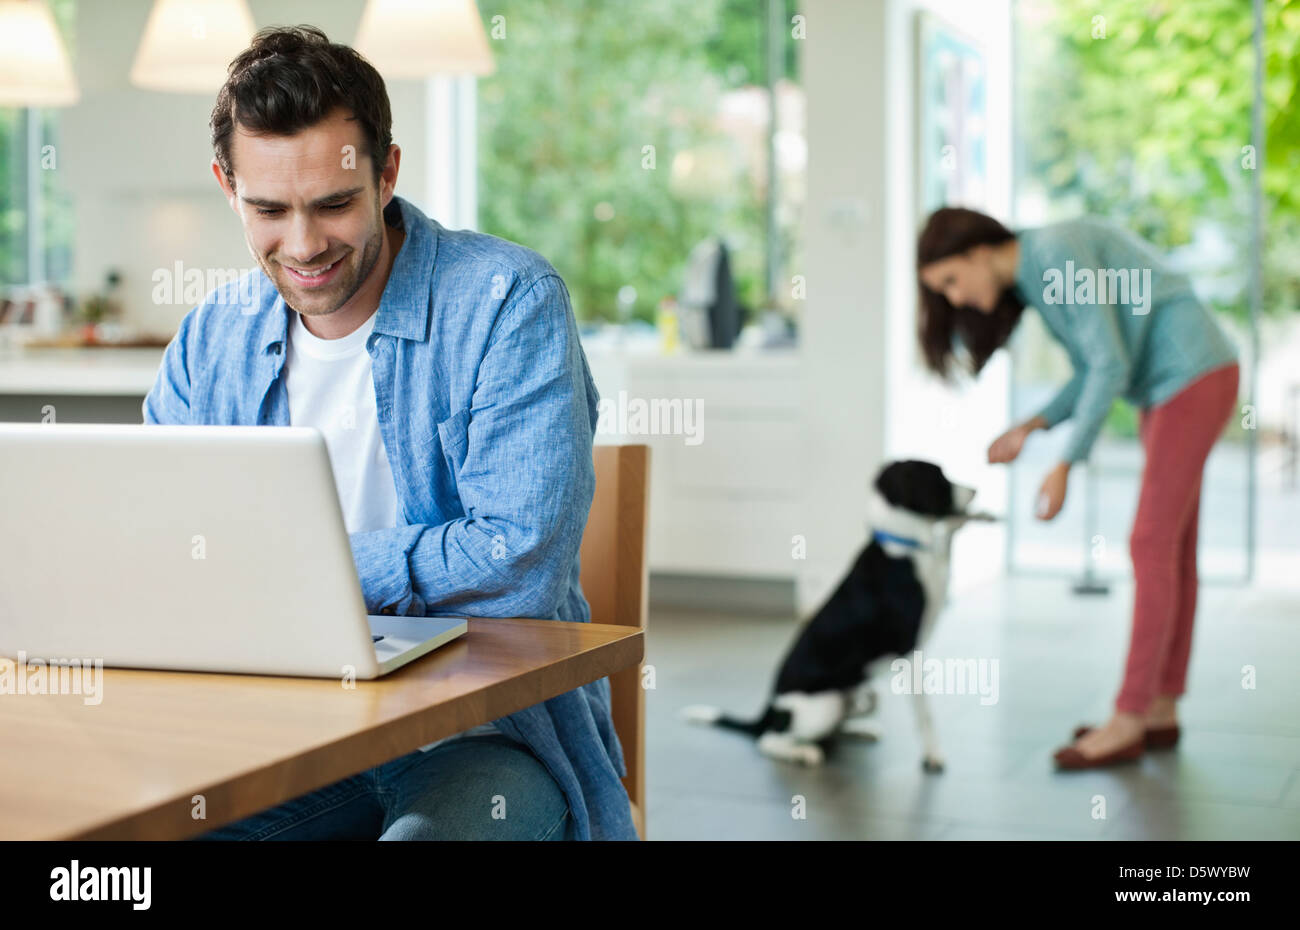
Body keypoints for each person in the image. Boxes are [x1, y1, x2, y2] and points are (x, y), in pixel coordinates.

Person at [144, 25, 636, 839]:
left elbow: (519, 568)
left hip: (482, 740)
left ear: (387, 174)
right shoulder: (212, 339)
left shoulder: (507, 303)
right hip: (280, 738)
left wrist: (290, 566)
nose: (303, 246)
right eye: (268, 209)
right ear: (227, 187)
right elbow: (164, 550)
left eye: (333, 203)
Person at [916, 207, 1240, 769]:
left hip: (1188, 376)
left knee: (1150, 545)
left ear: (976, 252)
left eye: (950, 281)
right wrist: (1033, 426)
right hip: (1179, 381)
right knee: (1172, 549)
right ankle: (1158, 708)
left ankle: (1129, 717)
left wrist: (1067, 461)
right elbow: (1094, 368)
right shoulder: (1040, 269)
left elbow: (1109, 364)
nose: (956, 298)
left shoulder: (1057, 252)